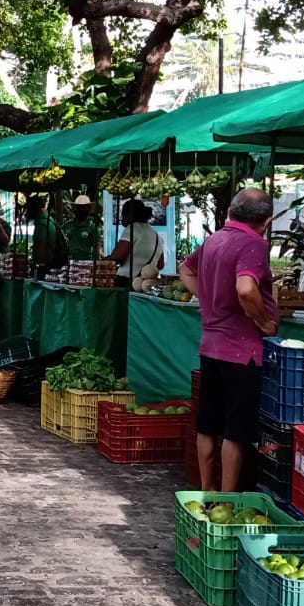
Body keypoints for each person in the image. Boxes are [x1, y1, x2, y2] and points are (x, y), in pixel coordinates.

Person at [178, 187, 279, 493]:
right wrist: (264, 322)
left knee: (208, 424)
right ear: (266, 220)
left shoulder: (214, 239)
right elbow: (246, 288)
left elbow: (185, 268)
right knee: (235, 431)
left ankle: (207, 491)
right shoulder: (253, 242)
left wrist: (208, 299)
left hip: (211, 346)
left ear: (230, 212)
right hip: (241, 350)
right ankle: (226, 501)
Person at [108, 199, 163, 282]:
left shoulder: (132, 229)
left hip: (126, 281)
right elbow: (160, 264)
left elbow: (117, 257)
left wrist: (103, 261)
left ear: (129, 215)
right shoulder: (156, 235)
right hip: (145, 283)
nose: (122, 219)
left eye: (123, 215)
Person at [24, 195, 67, 277]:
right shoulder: (49, 220)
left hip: (45, 267)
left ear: (34, 208)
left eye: (28, 209)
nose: (27, 212)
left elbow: (41, 248)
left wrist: (35, 267)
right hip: (52, 265)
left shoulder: (42, 223)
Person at [65, 194, 102, 261]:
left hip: (85, 262)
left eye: (84, 207)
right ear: (75, 208)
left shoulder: (92, 228)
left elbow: (96, 250)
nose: (81, 210)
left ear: (88, 209)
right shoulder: (67, 225)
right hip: (67, 262)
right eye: (78, 207)